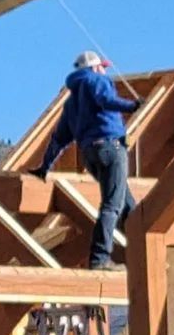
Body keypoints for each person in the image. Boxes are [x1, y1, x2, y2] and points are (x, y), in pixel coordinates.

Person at [37, 49, 143, 267]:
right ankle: (100, 259)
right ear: (95, 67)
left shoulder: (72, 100)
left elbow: (59, 138)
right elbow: (105, 100)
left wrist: (44, 165)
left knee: (126, 205)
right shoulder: (96, 80)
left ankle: (140, 252)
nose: (104, 71)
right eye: (102, 68)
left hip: (90, 154)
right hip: (111, 148)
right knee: (113, 205)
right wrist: (131, 106)